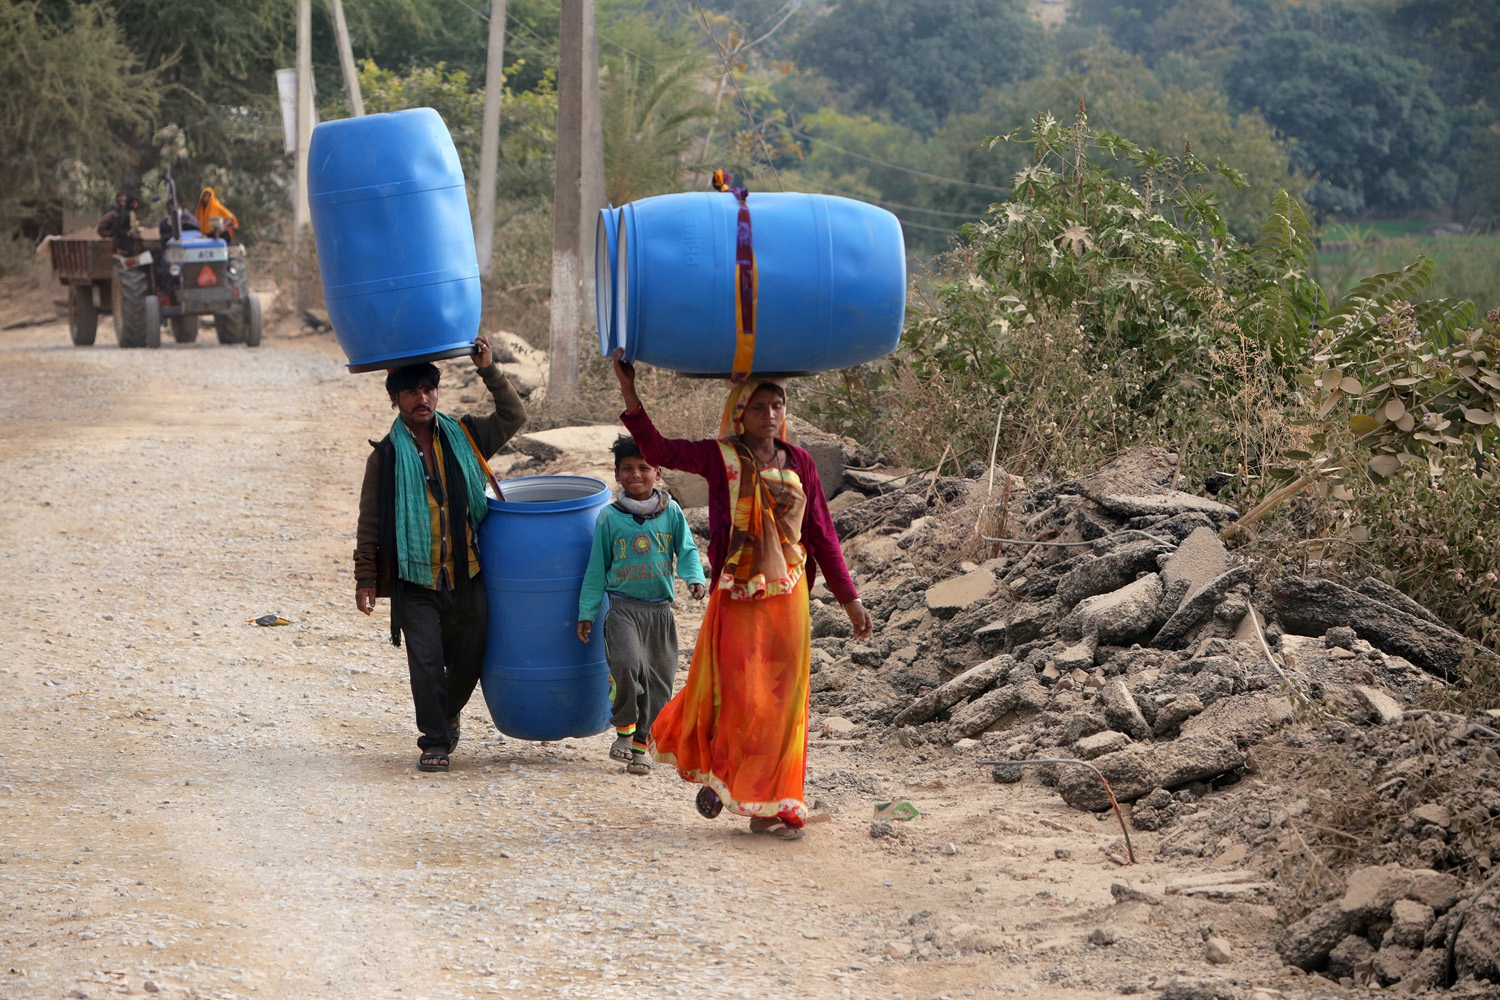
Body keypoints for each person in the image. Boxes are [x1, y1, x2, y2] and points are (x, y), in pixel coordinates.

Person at [613, 349, 873, 840]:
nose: (769, 415)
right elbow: (659, 449)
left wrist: (849, 598)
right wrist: (630, 391)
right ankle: (725, 773)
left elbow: (822, 535)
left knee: (784, 702)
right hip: (737, 596)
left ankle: (775, 806)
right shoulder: (721, 457)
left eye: (777, 405)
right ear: (739, 411)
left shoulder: (800, 462)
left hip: (788, 597)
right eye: (758, 406)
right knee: (741, 694)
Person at [353, 337, 527, 772]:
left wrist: (489, 369)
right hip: (415, 579)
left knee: (472, 652)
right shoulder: (386, 457)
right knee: (426, 662)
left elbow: (514, 416)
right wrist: (365, 579)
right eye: (411, 391)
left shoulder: (464, 436)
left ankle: (447, 712)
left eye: (428, 389)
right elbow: (370, 521)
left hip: (467, 572)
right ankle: (434, 740)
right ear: (395, 399)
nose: (422, 398)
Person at [576, 436, 707, 776]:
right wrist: (587, 611)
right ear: (617, 474)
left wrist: (694, 578)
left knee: (658, 684)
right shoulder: (608, 517)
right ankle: (624, 729)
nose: (636, 474)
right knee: (626, 664)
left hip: (660, 613)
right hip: (622, 609)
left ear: (657, 472)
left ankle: (640, 750)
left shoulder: (672, 512)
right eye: (627, 468)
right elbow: (596, 568)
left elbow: (687, 550)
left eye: (644, 468)